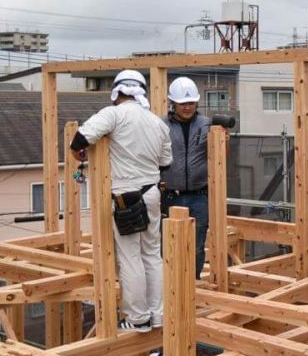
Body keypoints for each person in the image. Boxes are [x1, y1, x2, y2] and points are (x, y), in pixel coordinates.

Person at [73, 69, 173, 333]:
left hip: (125, 196)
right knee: (152, 254)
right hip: (151, 193)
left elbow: (80, 139)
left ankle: (138, 318)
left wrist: (79, 153)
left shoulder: (113, 114)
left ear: (117, 92)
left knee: (130, 257)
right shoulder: (157, 123)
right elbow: (166, 163)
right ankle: (158, 314)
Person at [160, 76, 213, 280]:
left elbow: (219, 157)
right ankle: (169, 285)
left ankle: (193, 283)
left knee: (197, 244)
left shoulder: (206, 125)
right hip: (170, 195)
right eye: (183, 103)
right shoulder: (161, 125)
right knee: (168, 244)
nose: (187, 107)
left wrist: (222, 139)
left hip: (199, 195)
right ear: (173, 103)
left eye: (191, 103)